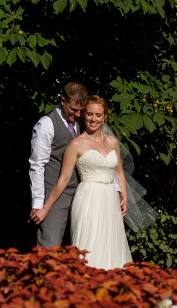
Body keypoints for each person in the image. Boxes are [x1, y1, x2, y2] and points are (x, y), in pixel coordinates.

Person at [32, 95, 132, 270]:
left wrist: (123, 195)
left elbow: (119, 173)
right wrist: (45, 207)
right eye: (90, 114)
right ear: (84, 115)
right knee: (90, 247)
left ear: (105, 117)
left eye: (98, 115)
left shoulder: (113, 142)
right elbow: (63, 180)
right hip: (88, 199)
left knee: (111, 247)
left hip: (110, 201)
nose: (94, 119)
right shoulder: (76, 144)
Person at [29, 82, 88, 247]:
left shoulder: (82, 123)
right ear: (63, 100)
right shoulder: (46, 124)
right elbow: (37, 165)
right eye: (73, 109)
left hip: (81, 194)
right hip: (55, 194)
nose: (77, 114)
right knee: (50, 246)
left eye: (81, 111)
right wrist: (38, 203)